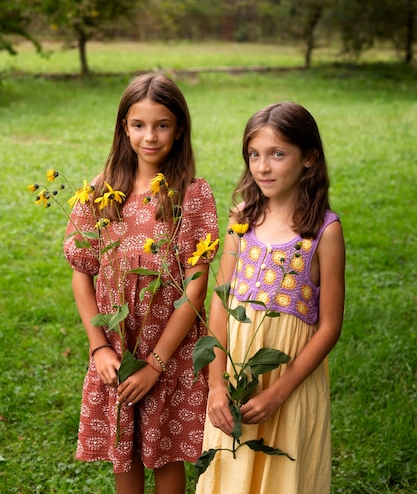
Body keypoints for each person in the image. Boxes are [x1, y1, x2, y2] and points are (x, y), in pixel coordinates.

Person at [63, 73, 218, 494]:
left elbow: (196, 287)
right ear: (123, 128)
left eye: (162, 125)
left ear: (179, 128)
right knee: (123, 450)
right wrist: (98, 346)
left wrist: (157, 365)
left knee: (167, 455)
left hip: (170, 348)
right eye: (139, 125)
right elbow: (82, 272)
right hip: (117, 347)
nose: (150, 136)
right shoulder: (99, 192)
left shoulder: (191, 195)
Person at [196, 102, 345, 494]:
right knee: (231, 474)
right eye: (254, 154)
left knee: (284, 480)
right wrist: (215, 385)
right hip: (234, 381)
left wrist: (279, 392)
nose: (262, 167)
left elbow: (329, 327)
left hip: (290, 385)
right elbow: (220, 299)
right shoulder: (241, 218)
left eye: (278, 154)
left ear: (309, 157)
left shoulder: (324, 232)